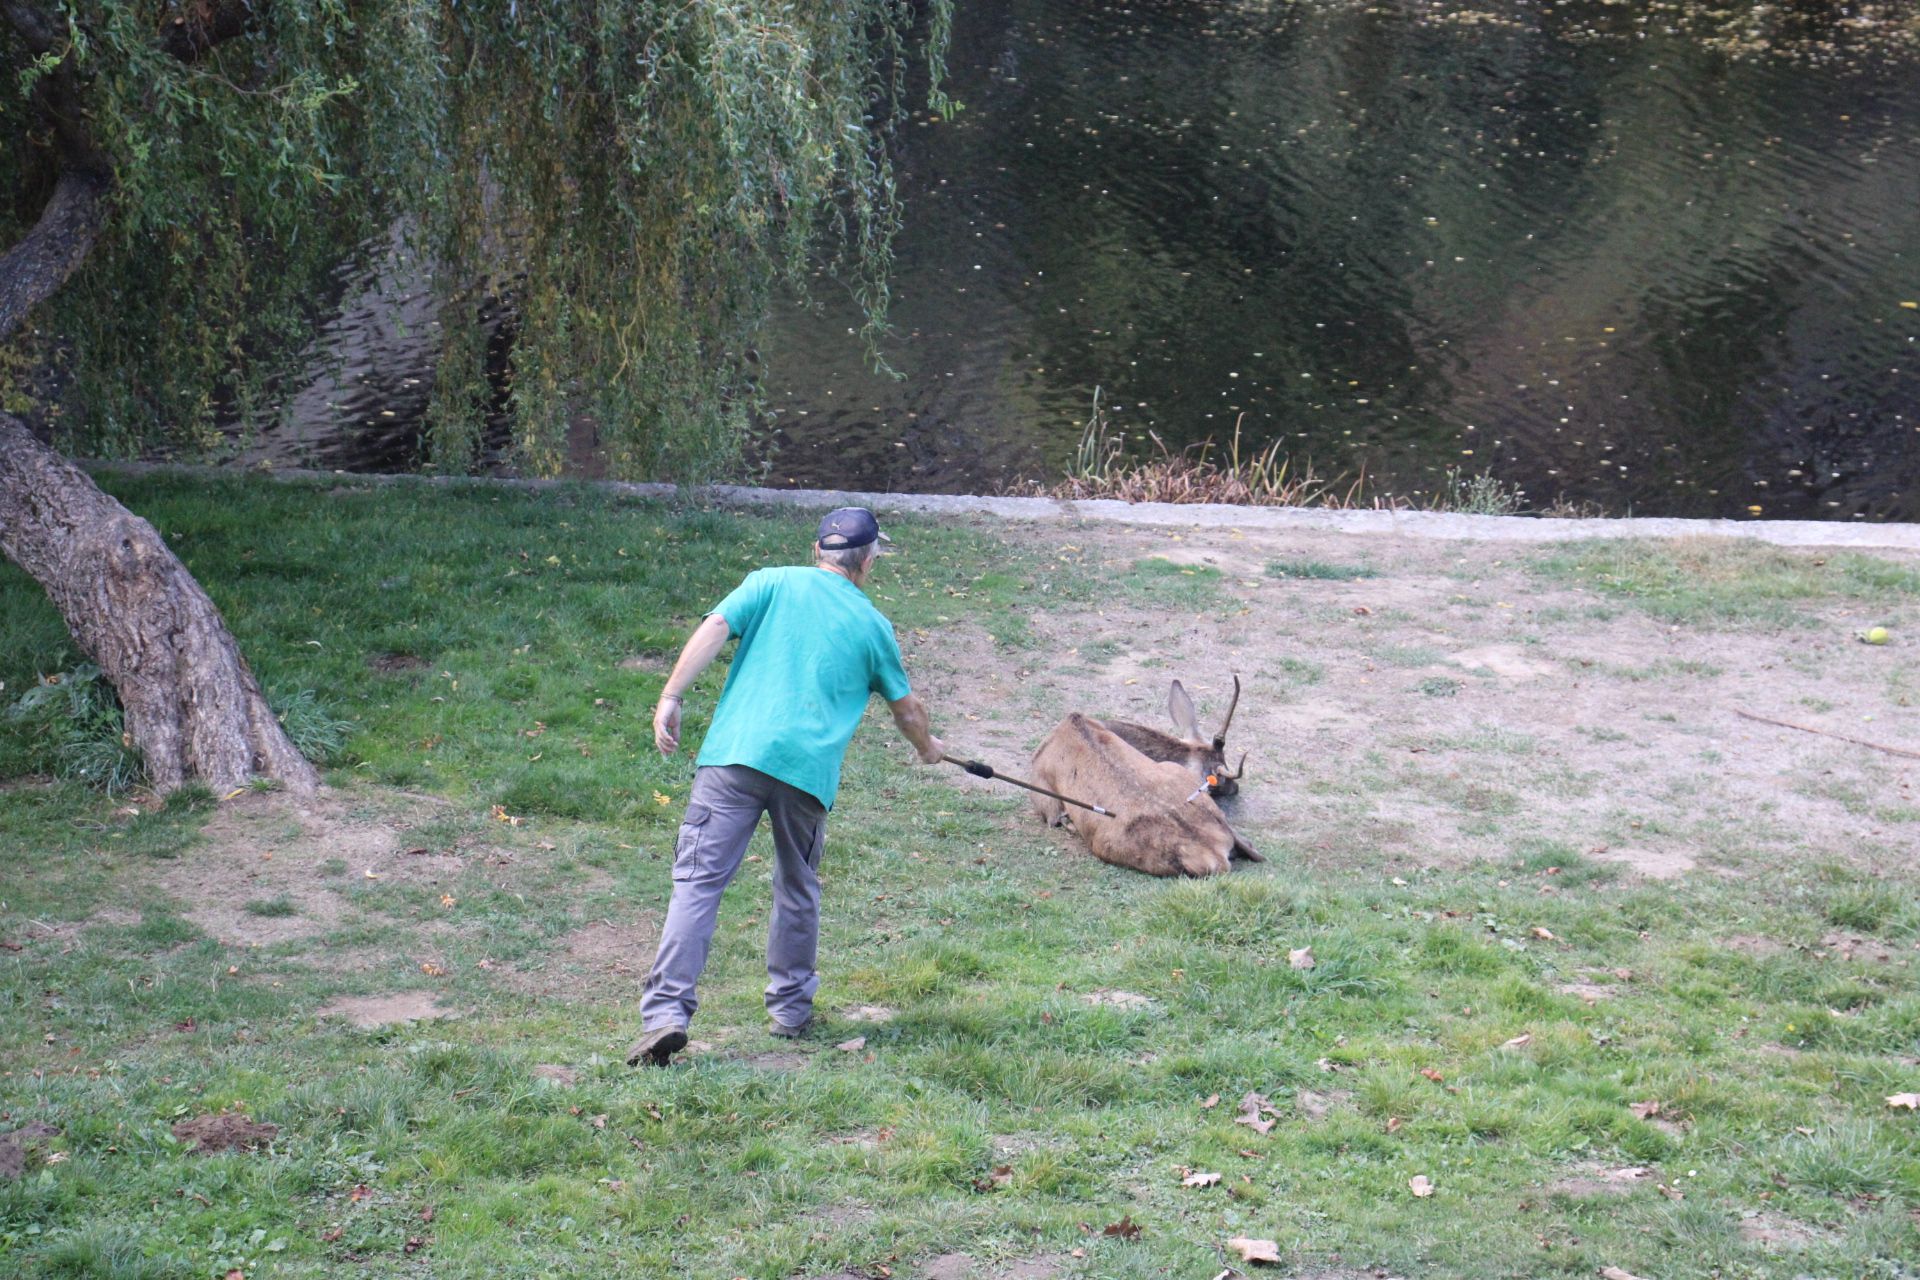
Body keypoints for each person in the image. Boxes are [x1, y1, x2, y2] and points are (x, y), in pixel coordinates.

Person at [626, 507, 945, 1067]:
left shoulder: (767, 581)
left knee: (697, 885)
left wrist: (672, 695)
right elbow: (907, 709)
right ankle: (791, 1012)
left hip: (734, 757)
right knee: (797, 886)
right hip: (806, 777)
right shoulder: (873, 626)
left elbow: (716, 628)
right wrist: (928, 749)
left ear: (815, 549)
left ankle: (666, 1015)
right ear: (868, 561)